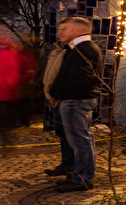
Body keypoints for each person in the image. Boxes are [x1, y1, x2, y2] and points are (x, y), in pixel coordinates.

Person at [42, 17, 102, 192]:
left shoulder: (84, 50)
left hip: (75, 100)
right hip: (74, 99)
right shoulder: (77, 49)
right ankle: (79, 175)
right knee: (81, 140)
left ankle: (83, 179)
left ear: (78, 30)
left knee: (80, 141)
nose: (59, 32)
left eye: (64, 28)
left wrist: (56, 92)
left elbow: (79, 79)